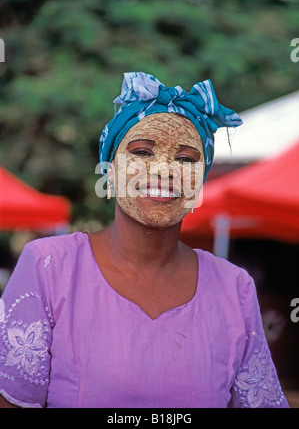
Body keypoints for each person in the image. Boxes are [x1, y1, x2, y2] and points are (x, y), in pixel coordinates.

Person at [0, 72, 289, 408]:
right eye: (142, 152)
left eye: (185, 159)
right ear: (109, 170)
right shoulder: (49, 267)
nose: (164, 170)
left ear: (201, 180)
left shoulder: (234, 288)